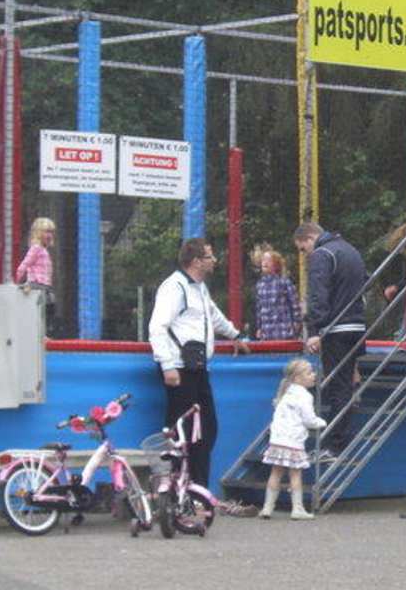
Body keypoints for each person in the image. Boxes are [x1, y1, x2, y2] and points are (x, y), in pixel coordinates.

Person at [148, 237, 250, 490]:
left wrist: (235, 335)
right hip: (180, 368)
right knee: (181, 429)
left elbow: (213, 315)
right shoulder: (174, 287)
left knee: (205, 428)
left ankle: (196, 488)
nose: (214, 260)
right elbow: (157, 326)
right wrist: (168, 365)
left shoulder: (199, 288)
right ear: (196, 261)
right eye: (209, 256)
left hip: (196, 366)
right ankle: (176, 487)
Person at [293, 221, 366, 461]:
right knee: (344, 384)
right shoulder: (351, 250)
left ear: (310, 238)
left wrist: (315, 329)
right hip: (357, 326)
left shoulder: (322, 255)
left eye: (303, 248)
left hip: (336, 329)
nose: (305, 254)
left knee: (337, 387)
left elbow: (318, 294)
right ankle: (338, 439)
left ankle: (334, 445)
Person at [261, 358, 326, 520]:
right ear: (298, 378)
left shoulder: (285, 393)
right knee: (295, 474)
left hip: (277, 440)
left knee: (275, 473)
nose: (314, 375)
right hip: (293, 441)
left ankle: (267, 507)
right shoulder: (305, 396)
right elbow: (309, 419)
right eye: (309, 373)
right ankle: (297, 508)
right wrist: (321, 422)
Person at [15, 217, 56, 332]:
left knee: (50, 305)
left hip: (45, 286)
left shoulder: (43, 250)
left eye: (51, 232)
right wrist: (16, 281)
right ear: (38, 233)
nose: (50, 235)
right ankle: (42, 331)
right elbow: (24, 264)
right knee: (45, 308)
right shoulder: (36, 249)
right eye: (47, 232)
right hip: (36, 284)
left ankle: (45, 331)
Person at [254, 249, 300, 340]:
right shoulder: (260, 285)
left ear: (276, 265)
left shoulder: (284, 282)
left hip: (283, 330)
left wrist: (297, 322)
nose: (264, 262)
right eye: (263, 260)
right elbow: (259, 308)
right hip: (266, 332)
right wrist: (259, 327)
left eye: (268, 260)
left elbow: (295, 303)